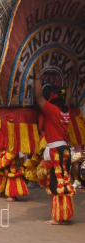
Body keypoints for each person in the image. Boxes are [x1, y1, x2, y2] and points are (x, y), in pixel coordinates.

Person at [34, 70, 74, 225]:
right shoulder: (66, 111)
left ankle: (58, 217)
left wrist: (37, 74)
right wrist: (70, 82)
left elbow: (38, 96)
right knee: (64, 182)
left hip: (56, 151)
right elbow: (68, 97)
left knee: (56, 183)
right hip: (65, 150)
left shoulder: (52, 111)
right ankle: (65, 214)